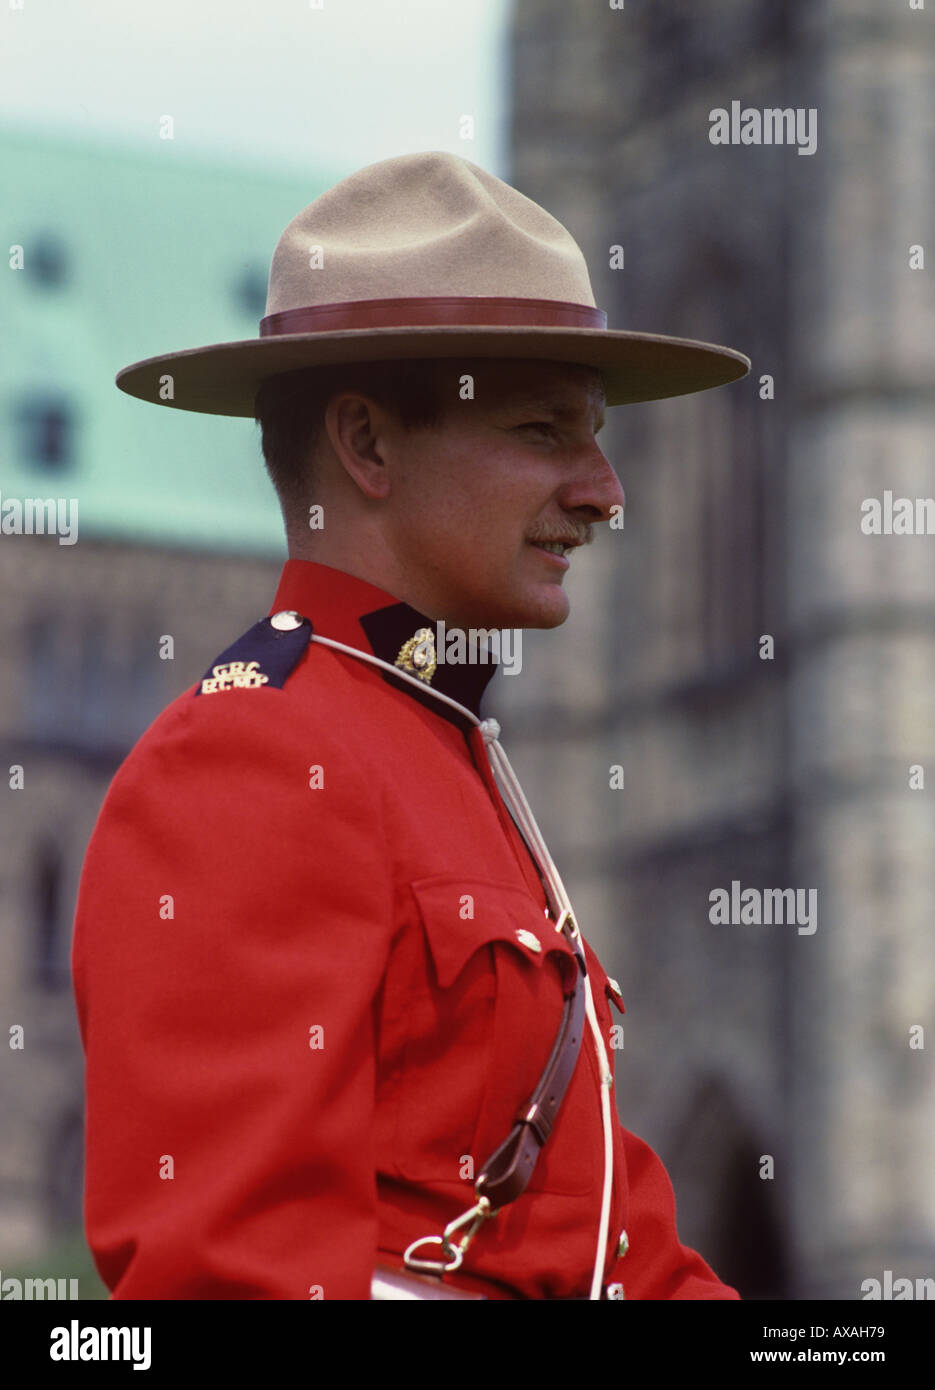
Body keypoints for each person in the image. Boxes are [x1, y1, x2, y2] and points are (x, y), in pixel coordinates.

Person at [72, 150, 750, 1300]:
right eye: (545, 433)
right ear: (368, 447)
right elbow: (225, 1279)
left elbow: (613, 1254)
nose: (604, 488)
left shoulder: (450, 751)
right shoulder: (251, 759)